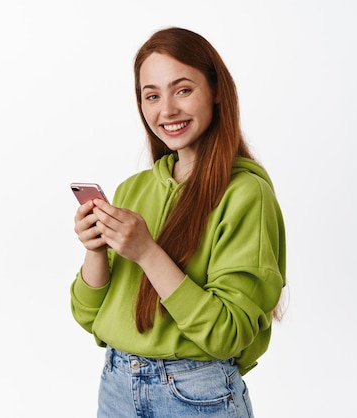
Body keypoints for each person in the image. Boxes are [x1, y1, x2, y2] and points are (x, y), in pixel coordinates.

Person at [70, 26, 286, 418]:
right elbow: (89, 315)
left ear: (217, 91)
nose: (166, 110)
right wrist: (95, 250)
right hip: (117, 385)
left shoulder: (245, 194)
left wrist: (147, 252)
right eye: (151, 95)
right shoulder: (134, 189)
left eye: (183, 90)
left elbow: (227, 333)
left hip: (196, 394)